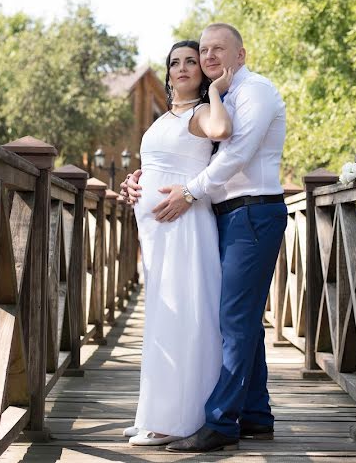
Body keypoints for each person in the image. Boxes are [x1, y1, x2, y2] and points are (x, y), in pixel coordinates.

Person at [123, 23, 287, 453]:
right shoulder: (224, 95)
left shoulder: (255, 93)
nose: (208, 57)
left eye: (216, 50)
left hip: (251, 213)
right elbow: (183, 152)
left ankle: (220, 423)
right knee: (238, 320)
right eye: (205, 50)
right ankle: (255, 415)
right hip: (221, 216)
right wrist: (140, 179)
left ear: (241, 54)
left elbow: (235, 153)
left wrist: (189, 190)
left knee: (234, 322)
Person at [124, 39, 236, 446]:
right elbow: (153, 163)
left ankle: (177, 418)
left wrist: (216, 92)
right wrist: (133, 182)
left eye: (192, 61)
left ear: (203, 72)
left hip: (185, 225)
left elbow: (223, 131)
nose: (184, 67)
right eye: (176, 63)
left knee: (184, 315)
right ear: (168, 72)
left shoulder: (203, 111)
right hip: (155, 230)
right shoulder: (164, 118)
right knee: (161, 313)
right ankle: (155, 410)